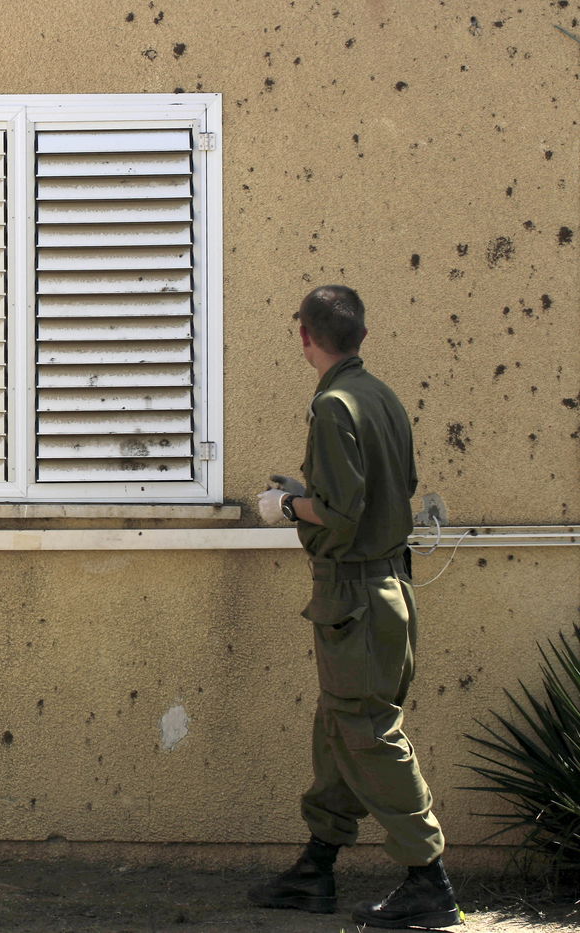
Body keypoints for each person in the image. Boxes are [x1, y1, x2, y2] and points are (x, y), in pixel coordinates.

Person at [248, 285, 461, 929]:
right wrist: (309, 490)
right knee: (340, 726)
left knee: (366, 730)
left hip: (356, 597)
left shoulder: (333, 405)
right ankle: (317, 867)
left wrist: (288, 506)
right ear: (358, 335)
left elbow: (340, 516)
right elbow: (382, 492)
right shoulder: (382, 397)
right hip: (385, 589)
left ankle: (429, 880)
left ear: (306, 336)